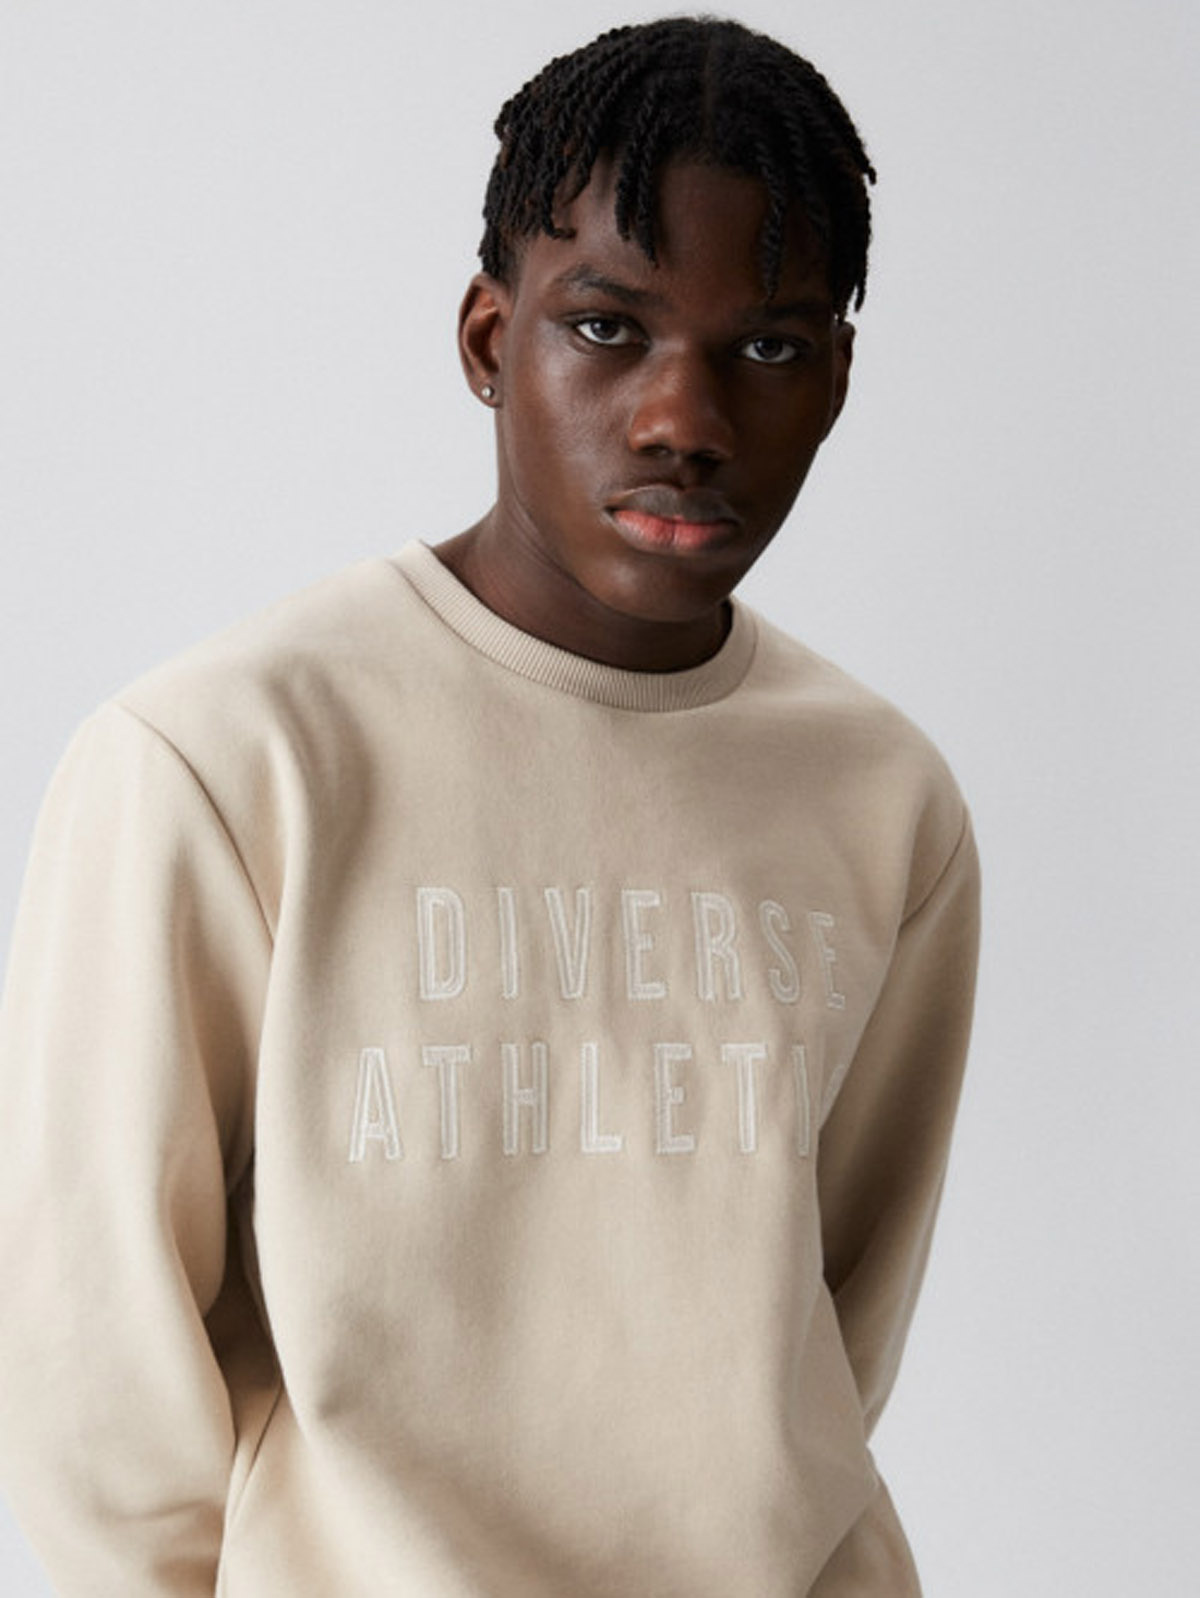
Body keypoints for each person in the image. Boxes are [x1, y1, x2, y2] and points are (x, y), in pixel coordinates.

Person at [0, 16, 979, 1596]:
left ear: (838, 382)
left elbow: (831, 1325)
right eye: (607, 328)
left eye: (769, 349)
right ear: (486, 339)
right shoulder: (226, 761)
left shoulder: (883, 798)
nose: (684, 419)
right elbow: (86, 1372)